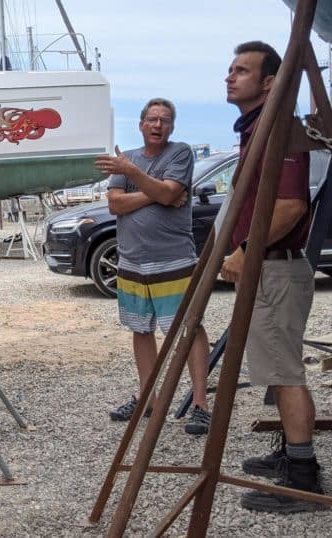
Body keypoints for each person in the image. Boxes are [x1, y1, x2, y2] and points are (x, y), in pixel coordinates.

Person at [221, 41, 323, 513]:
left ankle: (303, 480)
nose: (230, 76)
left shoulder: (275, 126)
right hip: (271, 269)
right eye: (230, 69)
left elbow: (289, 206)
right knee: (279, 372)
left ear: (267, 82)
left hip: (275, 269)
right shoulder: (257, 128)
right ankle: (291, 454)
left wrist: (244, 251)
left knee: (285, 374)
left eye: (242, 70)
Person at [95, 98, 212, 435]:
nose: (158, 125)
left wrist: (138, 178)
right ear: (141, 124)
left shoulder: (179, 153)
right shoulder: (127, 157)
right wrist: (158, 193)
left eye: (165, 120)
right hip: (132, 260)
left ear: (172, 127)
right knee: (141, 328)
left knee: (188, 328)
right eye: (152, 119)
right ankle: (148, 397)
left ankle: (200, 403)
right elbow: (116, 204)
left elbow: (170, 190)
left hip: (173, 258)